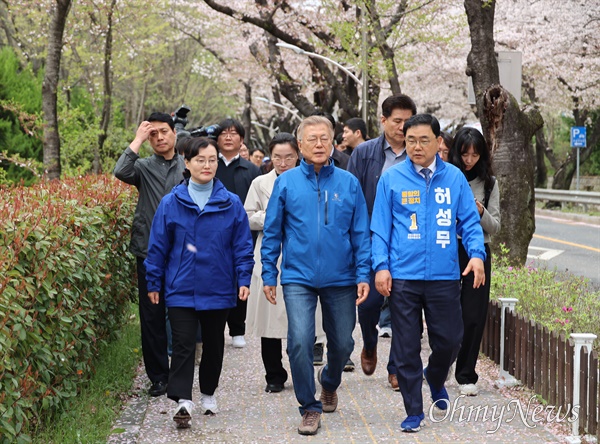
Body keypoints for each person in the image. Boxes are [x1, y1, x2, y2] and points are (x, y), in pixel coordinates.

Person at [371, 113, 486, 433]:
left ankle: (435, 376)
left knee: (450, 341)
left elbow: (469, 223)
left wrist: (477, 255)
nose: (416, 146)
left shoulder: (454, 179)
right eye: (410, 140)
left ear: (439, 143)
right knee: (406, 346)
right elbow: (380, 229)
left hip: (444, 277)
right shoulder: (391, 179)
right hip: (404, 278)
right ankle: (413, 410)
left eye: (424, 140)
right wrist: (381, 266)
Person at [261, 116, 371, 436]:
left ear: (334, 141)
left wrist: (363, 273)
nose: (319, 144)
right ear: (300, 146)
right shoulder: (286, 182)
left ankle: (329, 382)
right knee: (298, 341)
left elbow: (360, 233)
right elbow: (272, 232)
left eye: (324, 138)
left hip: (341, 276)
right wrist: (269, 273)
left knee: (343, 343)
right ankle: (309, 407)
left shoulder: (349, 183)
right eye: (312, 139)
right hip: (298, 276)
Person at [145, 137, 254, 429]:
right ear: (188, 163)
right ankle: (183, 400)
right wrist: (153, 282)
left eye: (212, 160)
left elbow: (242, 245)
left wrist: (244, 277)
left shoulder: (230, 203)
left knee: (214, 343)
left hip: (218, 286)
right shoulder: (171, 202)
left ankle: (207, 393)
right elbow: (157, 247)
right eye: (200, 160)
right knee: (182, 343)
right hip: (180, 286)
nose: (207, 165)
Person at [245, 132, 326, 394]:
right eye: (277, 157)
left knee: (302, 318)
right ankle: (274, 374)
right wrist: (272, 215)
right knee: (269, 319)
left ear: (299, 154)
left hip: (302, 256)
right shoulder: (260, 183)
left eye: (288, 157)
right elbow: (247, 216)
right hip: (270, 255)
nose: (283, 163)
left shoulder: (312, 181)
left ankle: (301, 370)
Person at [347, 94, 417, 390]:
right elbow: (350, 195)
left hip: (407, 240)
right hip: (371, 238)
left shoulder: (419, 152)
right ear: (383, 120)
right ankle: (370, 342)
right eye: (397, 121)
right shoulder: (364, 153)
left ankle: (396, 366)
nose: (402, 127)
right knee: (369, 302)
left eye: (407, 121)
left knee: (404, 305)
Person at [114, 112, 185, 397]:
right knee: (152, 315)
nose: (159, 138)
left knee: (182, 313)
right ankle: (158, 377)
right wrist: (138, 139)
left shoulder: (188, 166)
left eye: (163, 131)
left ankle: (180, 374)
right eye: (153, 134)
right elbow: (120, 170)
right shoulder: (142, 167)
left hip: (184, 252)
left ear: (175, 133)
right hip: (149, 251)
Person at [449, 127, 501, 396]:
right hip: (446, 250)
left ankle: (466, 373)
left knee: (473, 314)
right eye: (465, 153)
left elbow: (495, 227)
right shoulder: (445, 177)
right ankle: (442, 361)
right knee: (444, 312)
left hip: (478, 252)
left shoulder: (489, 183)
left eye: (475, 154)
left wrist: (479, 210)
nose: (469, 159)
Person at [215, 119, 260, 348]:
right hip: (213, 232)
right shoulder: (210, 165)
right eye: (224, 133)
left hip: (243, 232)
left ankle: (237, 328)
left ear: (241, 139)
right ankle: (216, 326)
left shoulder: (251, 169)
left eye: (234, 133)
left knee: (242, 276)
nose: (228, 137)